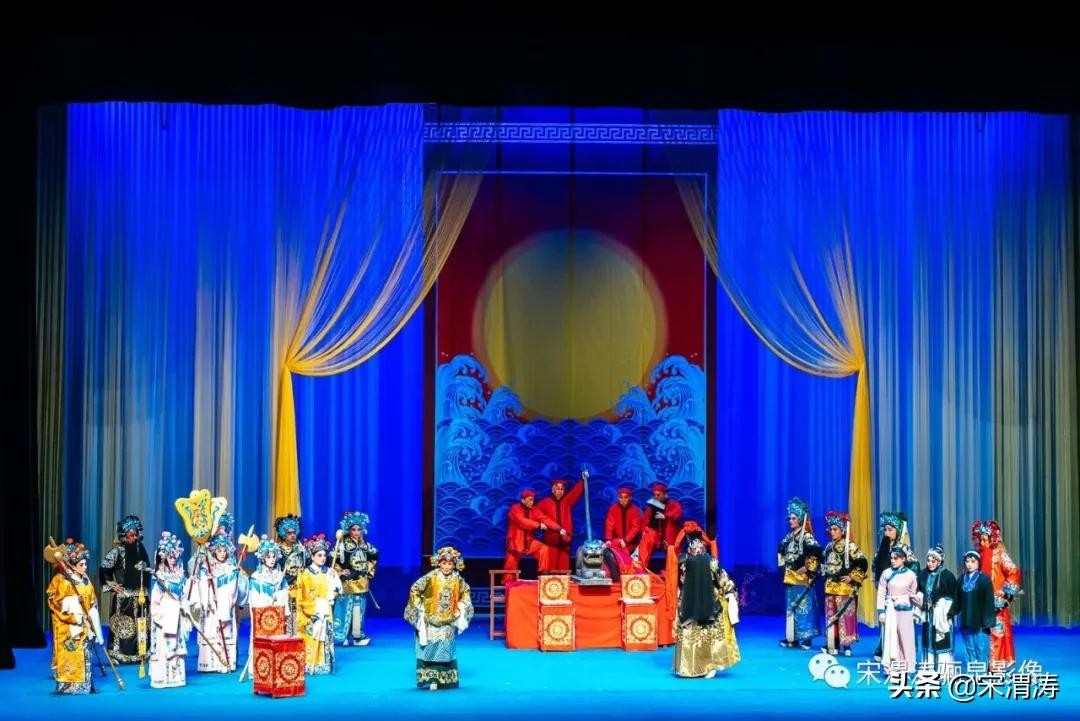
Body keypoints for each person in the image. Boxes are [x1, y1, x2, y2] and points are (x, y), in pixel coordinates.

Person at [667, 522, 740, 678]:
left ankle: (691, 667)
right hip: (706, 603)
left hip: (689, 603)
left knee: (693, 634)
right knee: (708, 635)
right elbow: (723, 580)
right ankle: (709, 665)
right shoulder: (710, 562)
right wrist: (731, 592)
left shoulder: (683, 562)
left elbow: (679, 583)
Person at [404, 546, 473, 690]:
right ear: (439, 563)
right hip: (431, 620)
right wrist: (419, 607)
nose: (447, 567)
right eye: (444, 563)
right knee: (429, 648)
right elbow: (415, 589)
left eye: (450, 564)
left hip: (448, 621)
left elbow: (466, 592)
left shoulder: (457, 579)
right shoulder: (431, 576)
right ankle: (431, 679)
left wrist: (462, 605)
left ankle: (445, 679)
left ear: (454, 565)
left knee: (445, 649)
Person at [46, 539, 104, 694]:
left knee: (86, 654)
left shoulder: (85, 580)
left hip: (86, 623)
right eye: (81, 565)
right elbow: (56, 602)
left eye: (85, 564)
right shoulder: (64, 581)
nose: (85, 567)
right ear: (73, 565)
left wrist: (92, 612)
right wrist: (73, 601)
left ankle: (85, 685)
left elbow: (92, 599)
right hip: (71, 625)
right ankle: (70, 686)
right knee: (71, 653)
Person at [99, 513, 152, 666]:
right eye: (131, 535)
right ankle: (118, 654)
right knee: (124, 626)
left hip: (141, 596)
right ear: (124, 536)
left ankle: (140, 653)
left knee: (141, 625)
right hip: (124, 599)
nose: (134, 538)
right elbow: (104, 569)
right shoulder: (117, 552)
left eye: (136, 535)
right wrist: (112, 585)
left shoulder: (140, 549)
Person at [972, 520, 1022, 665]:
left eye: (985, 540)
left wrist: (1005, 590)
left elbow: (1013, 571)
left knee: (997, 631)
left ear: (992, 539)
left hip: (996, 600)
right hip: (982, 600)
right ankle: (985, 661)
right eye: (980, 539)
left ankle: (997, 663)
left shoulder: (1000, 554)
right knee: (983, 632)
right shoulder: (979, 555)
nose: (982, 543)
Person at [820, 510, 868, 656]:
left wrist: (852, 577)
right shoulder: (828, 547)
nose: (832, 532)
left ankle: (846, 645)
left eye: (835, 529)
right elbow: (824, 565)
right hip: (830, 588)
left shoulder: (850, 547)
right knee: (831, 616)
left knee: (845, 616)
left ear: (842, 531)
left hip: (845, 589)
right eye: (831, 529)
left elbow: (862, 562)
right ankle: (832, 644)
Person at [292, 534, 341, 675]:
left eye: (324, 555)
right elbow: (302, 595)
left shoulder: (330, 572)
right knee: (311, 636)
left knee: (325, 636)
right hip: (311, 610)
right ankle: (309, 664)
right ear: (312, 557)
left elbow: (338, 590)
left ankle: (324, 664)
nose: (323, 558)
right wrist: (314, 609)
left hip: (326, 609)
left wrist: (332, 594)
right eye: (319, 555)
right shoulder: (305, 574)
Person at [149, 531, 192, 689]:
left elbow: (184, 596)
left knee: (177, 645)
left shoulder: (180, 577)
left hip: (177, 616)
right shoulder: (160, 578)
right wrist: (161, 616)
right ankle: (162, 678)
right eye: (170, 557)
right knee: (164, 646)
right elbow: (154, 602)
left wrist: (184, 607)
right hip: (166, 618)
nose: (173, 560)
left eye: (175, 557)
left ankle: (176, 678)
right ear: (165, 557)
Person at [778, 497, 821, 649]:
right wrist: (783, 567)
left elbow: (817, 552)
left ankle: (806, 638)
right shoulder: (789, 537)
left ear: (801, 519)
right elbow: (781, 551)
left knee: (804, 608)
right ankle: (792, 637)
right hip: (790, 578)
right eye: (789, 518)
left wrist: (808, 567)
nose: (790, 521)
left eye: (794, 518)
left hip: (802, 580)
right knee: (791, 608)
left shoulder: (807, 537)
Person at [193, 534, 240, 673]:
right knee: (211, 630)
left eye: (224, 550)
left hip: (225, 604)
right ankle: (211, 664)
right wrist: (207, 586)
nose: (222, 553)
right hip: (212, 607)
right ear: (214, 551)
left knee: (226, 632)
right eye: (219, 551)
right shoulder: (207, 567)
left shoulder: (231, 567)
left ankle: (226, 663)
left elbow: (233, 587)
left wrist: (224, 599)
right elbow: (201, 585)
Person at [244, 535, 290, 674]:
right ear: (263, 558)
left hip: (277, 614)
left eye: (274, 556)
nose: (272, 559)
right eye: (268, 557)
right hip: (263, 615)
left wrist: (279, 596)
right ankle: (259, 668)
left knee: (277, 638)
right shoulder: (256, 577)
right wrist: (267, 601)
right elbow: (254, 599)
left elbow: (285, 592)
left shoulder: (279, 575)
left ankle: (276, 668)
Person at [333, 511, 379, 646]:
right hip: (347, 584)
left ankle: (357, 636)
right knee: (344, 609)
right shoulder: (342, 545)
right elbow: (332, 560)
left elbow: (375, 556)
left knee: (358, 610)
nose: (357, 532)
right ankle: (342, 636)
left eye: (359, 529)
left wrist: (367, 571)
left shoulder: (366, 546)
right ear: (348, 530)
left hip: (361, 584)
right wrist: (340, 572)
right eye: (353, 529)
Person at [872, 511, 910, 659]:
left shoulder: (904, 550)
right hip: (885, 591)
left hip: (900, 594)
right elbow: (875, 565)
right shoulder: (883, 547)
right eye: (885, 530)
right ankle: (883, 649)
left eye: (890, 530)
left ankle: (900, 651)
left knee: (898, 623)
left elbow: (913, 570)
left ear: (898, 531)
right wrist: (878, 581)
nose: (887, 533)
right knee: (884, 620)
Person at [876, 547, 921, 674]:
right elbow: (881, 593)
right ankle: (891, 666)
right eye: (891, 558)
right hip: (890, 608)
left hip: (905, 609)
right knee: (891, 636)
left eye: (896, 558)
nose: (893, 561)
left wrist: (919, 607)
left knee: (906, 637)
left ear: (903, 559)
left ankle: (908, 665)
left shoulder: (911, 575)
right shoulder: (886, 573)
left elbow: (912, 593)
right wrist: (881, 612)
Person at [916, 544, 959, 669]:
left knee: (942, 641)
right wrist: (922, 601)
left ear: (939, 561)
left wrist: (945, 609)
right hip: (927, 615)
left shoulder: (947, 576)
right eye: (928, 560)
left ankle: (943, 669)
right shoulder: (923, 574)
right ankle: (929, 668)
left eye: (933, 561)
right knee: (928, 641)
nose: (930, 564)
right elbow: (918, 590)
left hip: (942, 615)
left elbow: (955, 596)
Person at [535, 473, 586, 572]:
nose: (560, 491)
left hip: (564, 542)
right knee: (550, 570)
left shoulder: (567, 501)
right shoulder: (545, 502)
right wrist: (539, 524)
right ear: (553, 490)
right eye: (558, 489)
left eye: (562, 489)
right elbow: (536, 514)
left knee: (563, 570)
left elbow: (576, 492)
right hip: (551, 542)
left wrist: (583, 480)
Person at [956, 550, 996, 665]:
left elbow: (989, 602)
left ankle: (981, 673)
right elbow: (957, 600)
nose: (969, 564)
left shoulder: (984, 580)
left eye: (973, 561)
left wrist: (988, 621)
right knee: (969, 648)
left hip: (980, 622)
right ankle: (972, 672)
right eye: (967, 561)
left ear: (979, 563)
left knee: (981, 649)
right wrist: (950, 613)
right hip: (966, 620)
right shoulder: (961, 579)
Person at [502, 488, 552, 574]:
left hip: (529, 542)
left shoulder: (534, 510)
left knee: (544, 549)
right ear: (523, 500)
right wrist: (539, 525)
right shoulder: (515, 509)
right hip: (516, 544)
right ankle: (509, 581)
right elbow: (522, 522)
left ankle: (543, 574)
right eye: (530, 500)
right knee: (510, 569)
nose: (532, 502)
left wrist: (559, 529)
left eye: (533, 500)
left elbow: (545, 519)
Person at [637, 482, 683, 567]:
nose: (656, 497)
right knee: (647, 536)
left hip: (669, 536)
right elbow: (644, 521)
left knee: (672, 547)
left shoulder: (672, 504)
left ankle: (672, 570)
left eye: (658, 495)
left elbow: (678, 512)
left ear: (665, 495)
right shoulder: (651, 507)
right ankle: (642, 568)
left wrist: (665, 516)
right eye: (654, 495)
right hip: (656, 536)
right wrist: (644, 531)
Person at [603, 485, 643, 555]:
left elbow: (635, 528)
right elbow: (609, 525)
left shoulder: (635, 511)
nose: (623, 500)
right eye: (620, 497)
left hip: (630, 543)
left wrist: (625, 540)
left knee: (623, 554)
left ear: (630, 498)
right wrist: (608, 539)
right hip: (616, 541)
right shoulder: (613, 509)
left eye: (625, 497)